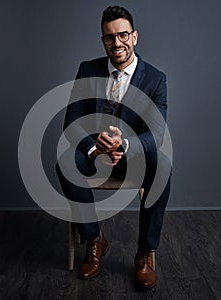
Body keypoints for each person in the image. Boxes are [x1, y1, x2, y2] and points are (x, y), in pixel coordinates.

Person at [56, 5, 171, 290]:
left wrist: (126, 145)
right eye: (109, 37)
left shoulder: (156, 79)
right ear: (103, 40)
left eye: (122, 35)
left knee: (162, 164)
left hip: (134, 157)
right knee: (65, 162)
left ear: (134, 37)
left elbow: (156, 133)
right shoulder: (88, 69)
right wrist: (95, 149)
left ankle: (145, 252)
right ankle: (94, 240)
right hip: (95, 154)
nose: (116, 43)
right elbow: (71, 121)